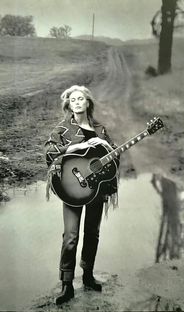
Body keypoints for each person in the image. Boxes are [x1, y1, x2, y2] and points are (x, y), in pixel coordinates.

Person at [44, 85, 119, 305]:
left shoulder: (100, 129)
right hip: (72, 188)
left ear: (88, 103)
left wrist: (105, 144)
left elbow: (113, 157)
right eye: (73, 100)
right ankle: (67, 285)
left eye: (81, 99)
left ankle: (87, 276)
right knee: (71, 236)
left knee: (92, 233)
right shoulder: (63, 129)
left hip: (96, 187)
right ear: (68, 104)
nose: (77, 102)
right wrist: (78, 146)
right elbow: (49, 151)